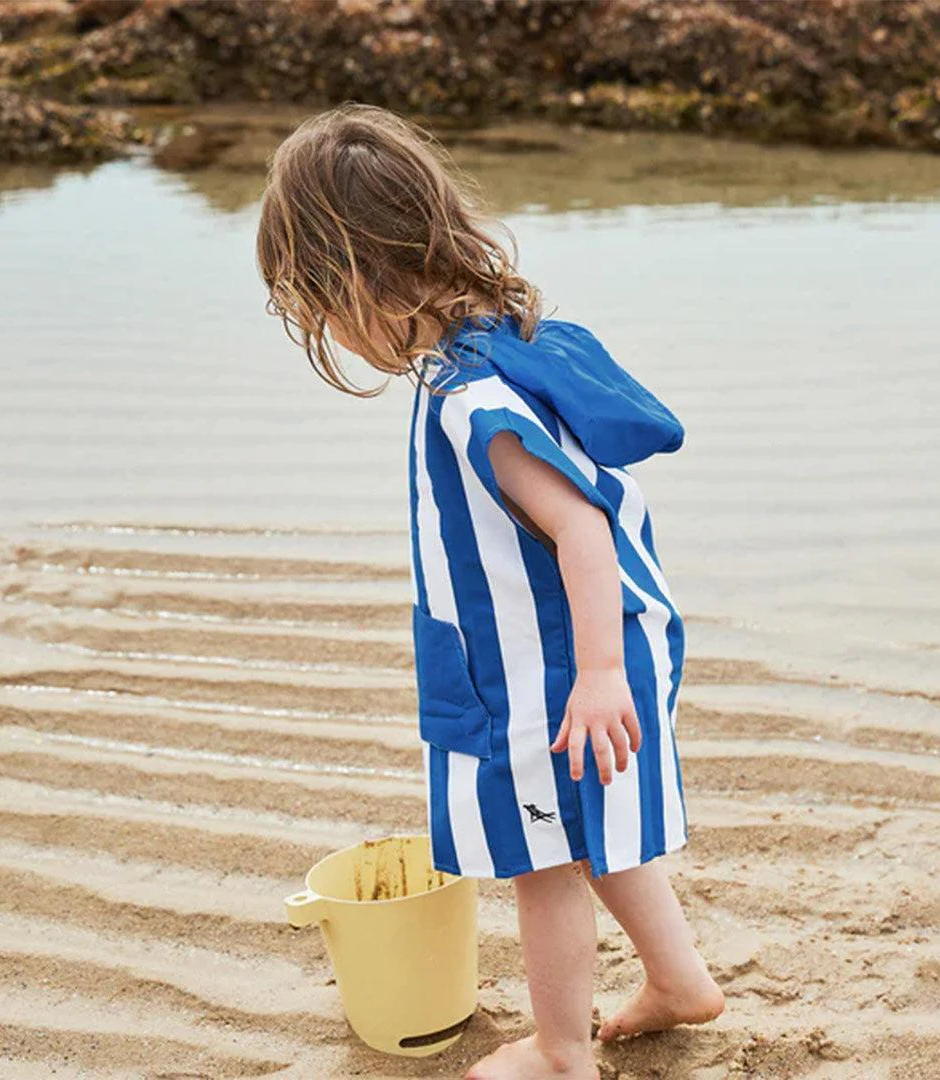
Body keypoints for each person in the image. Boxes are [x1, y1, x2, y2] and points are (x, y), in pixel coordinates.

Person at [257, 102, 724, 1080]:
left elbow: (582, 528)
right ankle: (679, 982)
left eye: (323, 311)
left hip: (555, 672)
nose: (334, 335)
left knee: (541, 862)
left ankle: (560, 1055)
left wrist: (596, 675)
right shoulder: (505, 339)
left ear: (356, 281)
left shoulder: (473, 399)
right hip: (584, 646)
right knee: (597, 834)